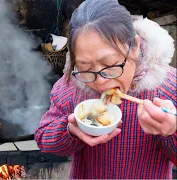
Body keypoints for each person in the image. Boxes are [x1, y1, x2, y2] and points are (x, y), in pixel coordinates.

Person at [35, 0, 176, 179]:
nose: (100, 82)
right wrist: (70, 131)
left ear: (135, 47)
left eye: (109, 65)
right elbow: (43, 139)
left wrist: (172, 131)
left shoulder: (168, 87)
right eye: (85, 67)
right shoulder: (71, 87)